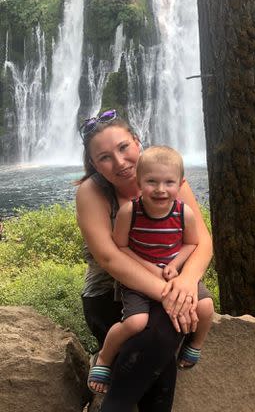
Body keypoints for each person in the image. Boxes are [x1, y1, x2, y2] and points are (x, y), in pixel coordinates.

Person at [76, 109, 214, 412]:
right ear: (94, 164)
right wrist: (171, 296)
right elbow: (110, 257)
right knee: (161, 330)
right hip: (109, 295)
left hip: (169, 284)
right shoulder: (92, 191)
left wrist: (187, 282)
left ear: (137, 141)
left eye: (123, 147)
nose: (120, 162)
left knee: (162, 333)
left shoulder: (165, 177)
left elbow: (202, 240)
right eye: (105, 157)